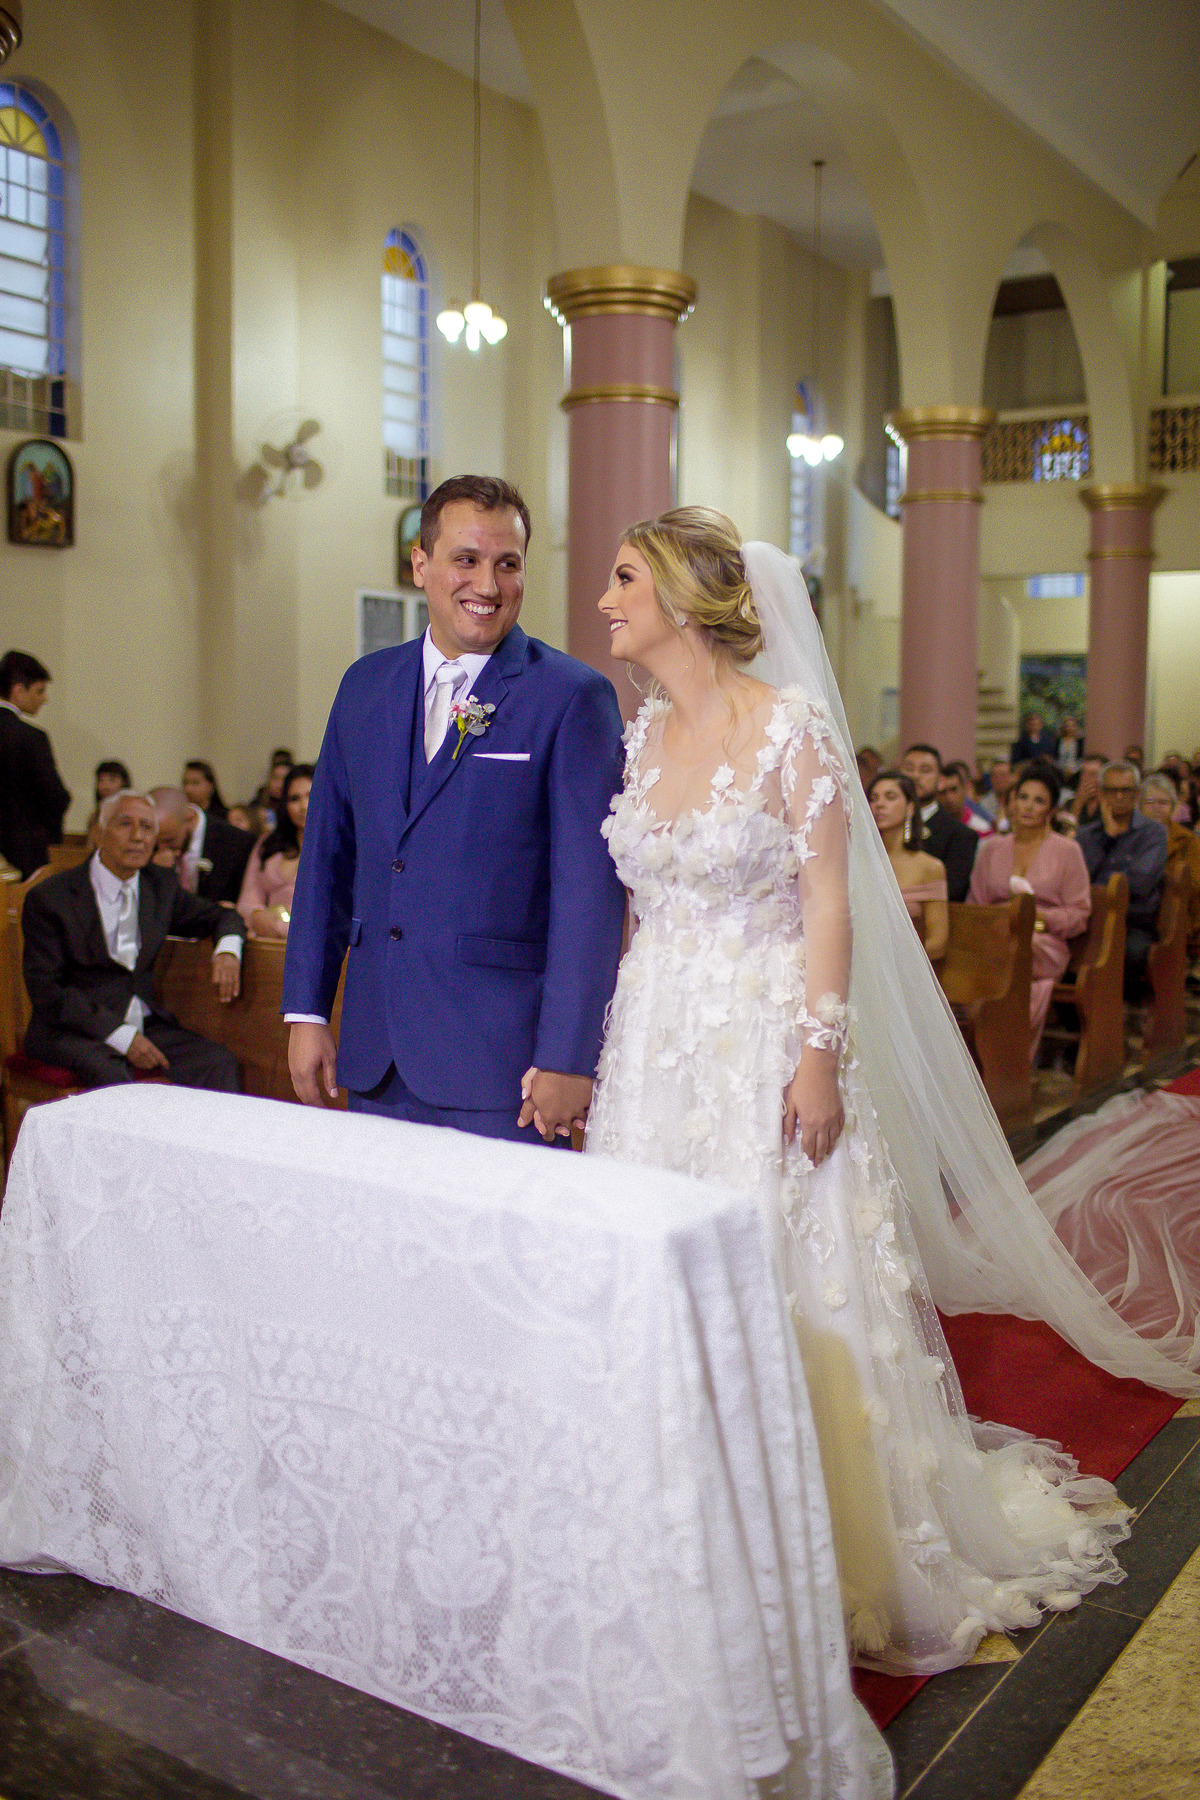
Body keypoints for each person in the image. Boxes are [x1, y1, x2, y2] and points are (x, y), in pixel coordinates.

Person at [581, 507, 1197, 1687]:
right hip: (656, 1039)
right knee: (662, 1276)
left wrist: (815, 1054)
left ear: (682, 596)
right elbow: (641, 901)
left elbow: (828, 900)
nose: (603, 600)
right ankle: (680, 1516)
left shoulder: (789, 730)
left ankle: (818, 1533)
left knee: (783, 1263)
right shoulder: (645, 731)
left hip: (764, 1033)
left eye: (621, 579)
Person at [282, 474, 626, 1142]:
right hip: (375, 1055)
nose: (488, 586)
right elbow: (327, 857)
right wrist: (306, 1010)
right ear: (421, 564)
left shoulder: (571, 698)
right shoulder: (363, 686)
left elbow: (589, 897)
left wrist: (567, 1057)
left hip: (503, 1068)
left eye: (508, 564)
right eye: (466, 560)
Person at [22, 788, 244, 1090]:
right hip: (72, 1030)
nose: (138, 836)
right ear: (100, 833)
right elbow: (47, 990)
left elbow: (221, 916)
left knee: (217, 1062)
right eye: (125, 824)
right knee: (113, 1076)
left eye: (148, 827)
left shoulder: (160, 885)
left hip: (143, 1022)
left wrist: (228, 948)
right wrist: (121, 1036)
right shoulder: (51, 898)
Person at [967, 761, 1091, 1055]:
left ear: (1051, 810)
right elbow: (976, 903)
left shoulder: (1067, 850)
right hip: (996, 937)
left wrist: (1038, 917)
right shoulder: (992, 849)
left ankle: (1007, 1053)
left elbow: (1079, 912)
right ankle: (976, 1049)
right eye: (1023, 797)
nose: (1028, 807)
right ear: (1011, 802)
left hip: (1044, 942)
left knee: (1021, 945)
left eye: (1039, 801)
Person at [1078, 761, 1168, 999]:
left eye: (1126, 790)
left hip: (1133, 921)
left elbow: (1139, 884)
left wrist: (1099, 886)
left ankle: (1123, 1016)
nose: (1118, 796)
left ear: (1137, 794)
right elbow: (1078, 880)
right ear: (1100, 793)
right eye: (1110, 790)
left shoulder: (1154, 833)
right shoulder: (1087, 835)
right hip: (1089, 919)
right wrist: (1108, 838)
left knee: (1131, 953)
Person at [0, 649, 72, 878]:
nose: (44, 699)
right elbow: (55, 796)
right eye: (39, 691)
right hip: (22, 851)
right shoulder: (30, 737)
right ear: (18, 691)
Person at [867, 769, 948, 959]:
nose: (879, 805)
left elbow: (938, 942)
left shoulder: (930, 867)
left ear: (910, 807)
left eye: (890, 797)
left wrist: (897, 963)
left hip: (908, 968)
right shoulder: (859, 863)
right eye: (874, 798)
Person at [236, 763, 313, 938]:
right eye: (294, 799)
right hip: (268, 940)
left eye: (311, 795)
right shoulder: (268, 843)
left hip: (317, 943)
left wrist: (282, 929)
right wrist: (257, 916)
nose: (303, 806)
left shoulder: (343, 844)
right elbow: (248, 900)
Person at [149, 785, 256, 906]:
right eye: (157, 842)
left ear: (189, 818)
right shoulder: (147, 845)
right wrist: (159, 873)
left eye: (169, 840)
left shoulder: (237, 842)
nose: (162, 847)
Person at [899, 742, 978, 900]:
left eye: (925, 770)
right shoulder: (880, 825)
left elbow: (951, 891)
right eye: (909, 769)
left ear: (940, 780)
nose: (915, 776)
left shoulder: (960, 835)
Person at [1138, 773, 1200, 957]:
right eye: (1150, 802)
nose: (1156, 808)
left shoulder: (1187, 840)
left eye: (1163, 802)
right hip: (1139, 911)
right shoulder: (1131, 837)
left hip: (1177, 912)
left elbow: (1195, 884)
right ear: (1139, 806)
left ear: (1173, 807)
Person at [937, 760, 994, 837]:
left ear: (964, 789)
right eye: (942, 792)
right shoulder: (930, 827)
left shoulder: (982, 829)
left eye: (954, 789)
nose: (948, 797)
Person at [1069, 753, 1105, 827]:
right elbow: (1066, 832)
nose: (1086, 778)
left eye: (1092, 774)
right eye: (1083, 774)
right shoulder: (1070, 804)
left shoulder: (1111, 804)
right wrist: (1078, 803)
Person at [978, 756, 1013, 827]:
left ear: (1012, 777)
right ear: (990, 779)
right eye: (995, 776)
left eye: (1003, 775)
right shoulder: (984, 803)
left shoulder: (1019, 800)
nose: (999, 780)